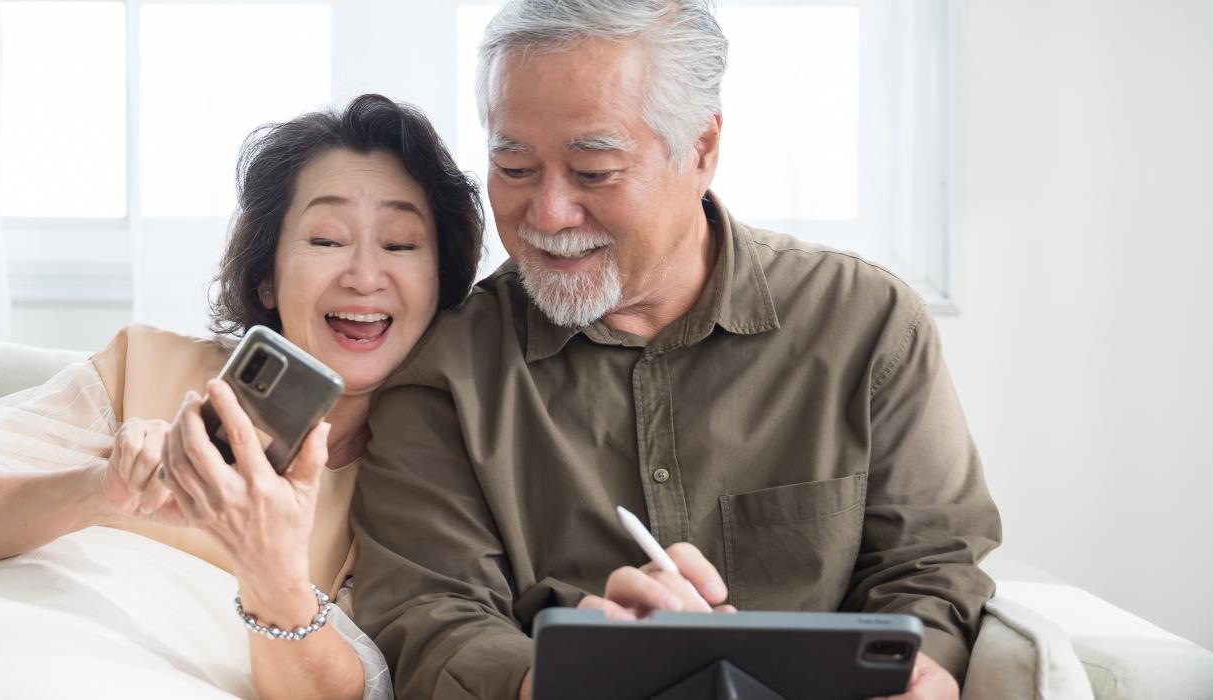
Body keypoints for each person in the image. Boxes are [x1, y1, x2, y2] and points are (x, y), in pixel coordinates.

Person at [0, 94, 482, 700]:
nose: (363, 274)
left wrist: (271, 569)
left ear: (441, 283)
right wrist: (100, 490)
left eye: (401, 244)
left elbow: (338, 694)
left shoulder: (427, 466)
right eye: (325, 239)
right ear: (265, 277)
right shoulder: (142, 366)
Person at [347, 2, 1003, 699]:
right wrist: (554, 678)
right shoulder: (446, 370)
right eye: (513, 166)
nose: (547, 214)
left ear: (701, 149)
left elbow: (931, 565)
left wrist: (922, 669)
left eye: (594, 171)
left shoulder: (867, 325)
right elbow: (429, 615)